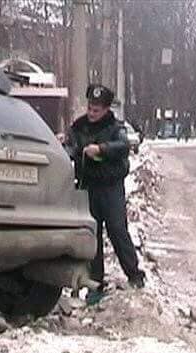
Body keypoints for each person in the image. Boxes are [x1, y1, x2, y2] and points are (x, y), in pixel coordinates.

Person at [65, 84, 146, 293]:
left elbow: (123, 147)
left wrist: (101, 149)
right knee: (93, 236)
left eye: (96, 110)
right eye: (90, 108)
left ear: (106, 109)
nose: (92, 113)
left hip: (110, 188)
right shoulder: (79, 126)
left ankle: (134, 275)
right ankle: (96, 283)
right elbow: (72, 148)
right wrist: (64, 145)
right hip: (89, 187)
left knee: (117, 230)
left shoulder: (115, 127)